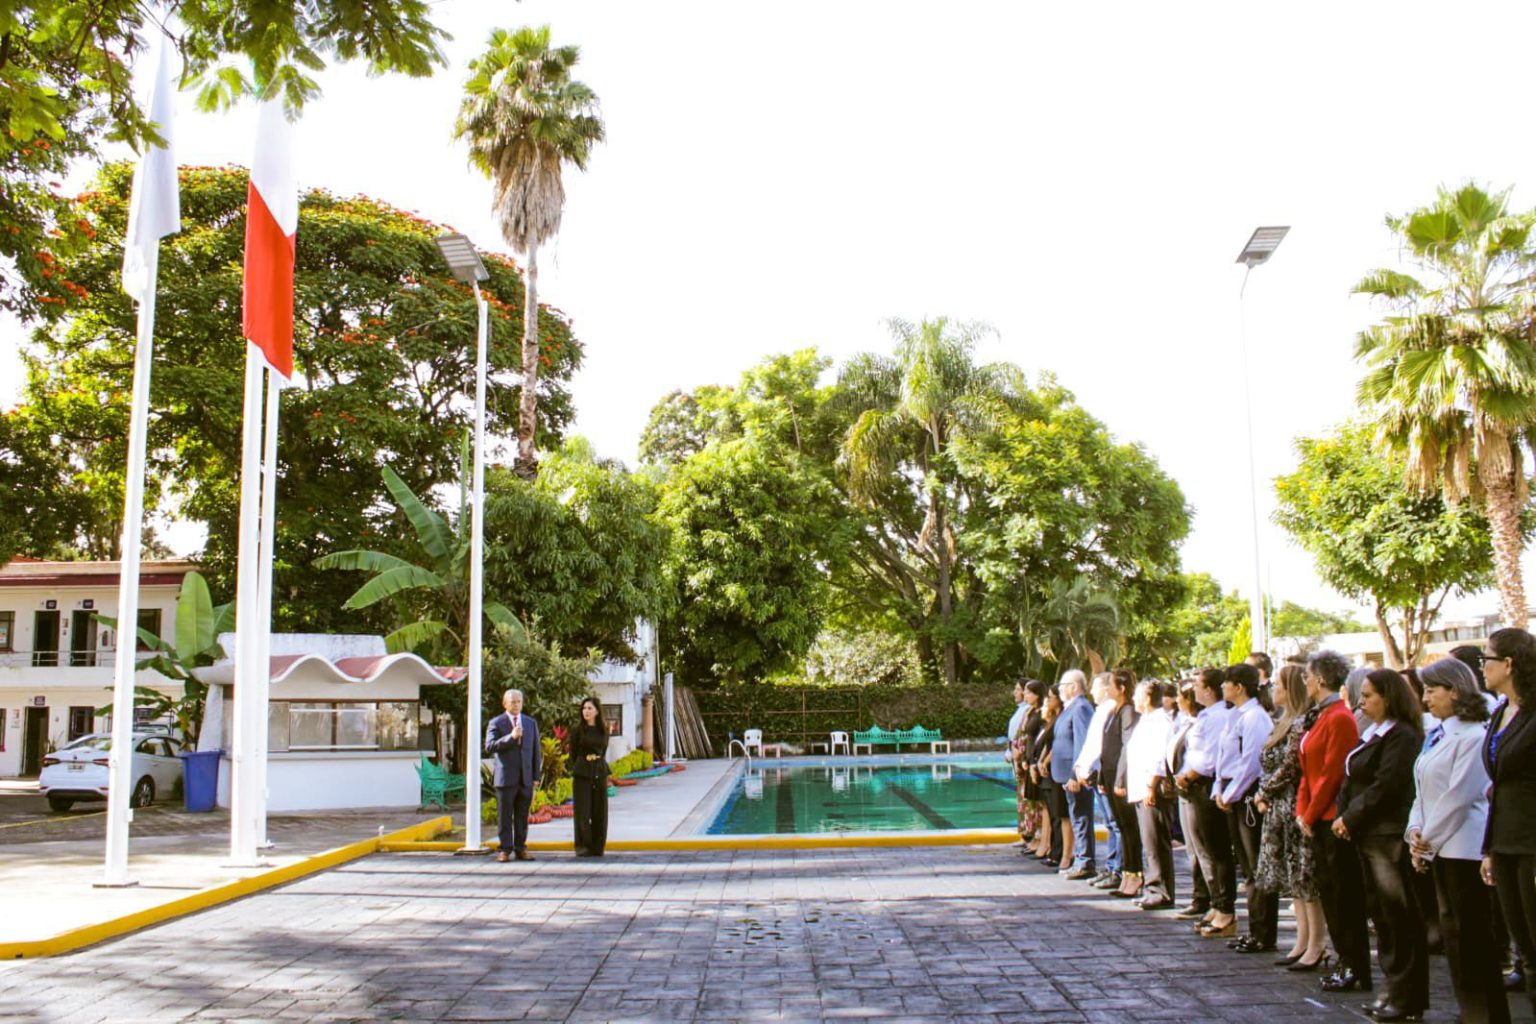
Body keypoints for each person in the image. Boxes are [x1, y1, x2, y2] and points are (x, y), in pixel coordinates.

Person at [1410, 657, 1509, 1024]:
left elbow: (1459, 796)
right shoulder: (1438, 734)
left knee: (1473, 939)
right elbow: (1422, 789)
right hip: (1440, 848)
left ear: (1454, 691)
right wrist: (1414, 831)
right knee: (1454, 938)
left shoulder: (1473, 736)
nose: (1425, 699)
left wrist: (1426, 841)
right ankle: (1470, 1011)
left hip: (1463, 849)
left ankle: (1486, 1014)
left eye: (1431, 691)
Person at [1335, 669, 1428, 1022]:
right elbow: (1352, 776)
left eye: (1369, 695)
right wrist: (1345, 816)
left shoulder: (1402, 735)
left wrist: (1350, 817)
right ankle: (1392, 988)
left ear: (1388, 698)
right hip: (1367, 834)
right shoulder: (1374, 732)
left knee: (1398, 916)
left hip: (1387, 835)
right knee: (1383, 917)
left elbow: (1386, 784)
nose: (1362, 702)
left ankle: (1407, 996)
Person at [1298, 649, 1371, 995]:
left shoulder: (1340, 717)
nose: (1305, 682)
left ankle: (1354, 964)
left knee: (1344, 897)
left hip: (1331, 817)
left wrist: (1310, 812)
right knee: (1330, 894)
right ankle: (1345, 960)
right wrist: (1303, 810)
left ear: (1321, 679)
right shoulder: (1321, 715)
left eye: (1307, 676)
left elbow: (1332, 773)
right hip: (1316, 815)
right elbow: (1307, 769)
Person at [1253, 664, 1323, 970]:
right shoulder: (1282, 721)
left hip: (1294, 804)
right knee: (1294, 877)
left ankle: (1317, 943)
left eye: (1278, 685)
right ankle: (1302, 940)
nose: (1273, 689)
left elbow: (1291, 765)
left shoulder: (1301, 723)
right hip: (1278, 806)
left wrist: (1263, 792)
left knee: (1305, 875)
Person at [1481, 627, 1536, 1018]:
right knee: (1526, 949)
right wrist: (1489, 848)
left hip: (1531, 841)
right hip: (1504, 840)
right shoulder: (1500, 711)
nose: (1482, 667)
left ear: (1509, 663)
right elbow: (1497, 783)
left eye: (1486, 659)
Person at [1217, 662, 1280, 953]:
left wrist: (1230, 794)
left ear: (1239, 687)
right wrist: (1220, 790)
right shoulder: (1236, 715)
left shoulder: (1254, 717)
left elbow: (1251, 763)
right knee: (1247, 866)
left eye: (1226, 682)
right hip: (1233, 792)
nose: (1222, 687)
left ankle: (1263, 932)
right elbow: (1225, 758)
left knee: (1256, 865)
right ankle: (1254, 929)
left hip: (1247, 796)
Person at [1176, 667, 1236, 937]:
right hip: (1195, 784)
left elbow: (1209, 757)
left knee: (1217, 851)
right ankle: (1217, 904)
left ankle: (1225, 908)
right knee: (1207, 849)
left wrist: (1188, 775)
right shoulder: (1207, 715)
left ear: (1209, 690)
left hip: (1206, 783)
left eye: (1199, 686)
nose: (1195, 691)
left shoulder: (1217, 716)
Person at [1126, 679, 1175, 909]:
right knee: (1149, 842)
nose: (1133, 699)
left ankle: (1161, 891)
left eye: (1137, 695)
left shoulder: (1160, 722)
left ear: (1147, 697)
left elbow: (1158, 757)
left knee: (1156, 842)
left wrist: (1150, 786)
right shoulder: (1145, 721)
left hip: (1151, 790)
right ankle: (1153, 887)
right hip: (1140, 788)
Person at [1168, 678, 1211, 919]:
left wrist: (1188, 776)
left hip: (1196, 788)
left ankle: (1210, 899)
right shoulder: (1185, 722)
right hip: (1183, 787)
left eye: (1180, 696)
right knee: (1193, 849)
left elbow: (1204, 757)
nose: (1176, 700)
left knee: (1202, 848)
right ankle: (1200, 895)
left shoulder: (1202, 722)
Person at [1075, 672, 1123, 889]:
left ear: (1106, 688)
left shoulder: (1110, 709)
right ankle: (1112, 866)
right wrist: (1082, 766)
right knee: (1109, 823)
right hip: (1095, 772)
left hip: (1103, 773)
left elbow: (1101, 745)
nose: (1091, 691)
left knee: (1115, 823)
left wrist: (1087, 768)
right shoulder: (1101, 709)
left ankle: (1118, 868)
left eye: (1095, 687)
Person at [486, 688, 542, 863]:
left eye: (519, 702)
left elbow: (536, 751)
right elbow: (490, 746)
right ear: (505, 704)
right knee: (505, 816)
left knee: (522, 816)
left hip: (525, 778)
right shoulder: (496, 723)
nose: (516, 705)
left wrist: (536, 776)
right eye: (513, 702)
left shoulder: (530, 723)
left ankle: (520, 848)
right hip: (506, 778)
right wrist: (510, 737)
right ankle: (504, 849)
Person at [1101, 667, 1143, 899]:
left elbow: (1127, 746)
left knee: (1129, 827)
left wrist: (1120, 778)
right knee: (1121, 825)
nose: (1107, 688)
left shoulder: (1128, 711)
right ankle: (1127, 873)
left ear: (1122, 688)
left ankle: (1134, 874)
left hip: (1120, 777)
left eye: (1110, 684)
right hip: (1109, 775)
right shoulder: (1113, 711)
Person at [1054, 670, 1098, 880]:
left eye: (1063, 685)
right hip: (1065, 775)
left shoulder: (1081, 708)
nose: (1060, 690)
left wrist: (1075, 773)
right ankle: (1082, 860)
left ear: (1074, 686)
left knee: (1081, 818)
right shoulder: (1070, 707)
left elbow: (1082, 742)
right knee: (1076, 816)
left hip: (1075, 776)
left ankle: (1085, 861)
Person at [1033, 685, 1071, 870]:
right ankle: (1054, 850)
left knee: (1059, 814)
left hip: (1055, 770)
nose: (1047, 701)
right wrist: (1040, 761)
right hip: (1047, 769)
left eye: (1050, 697)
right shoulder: (1053, 720)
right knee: (1053, 811)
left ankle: (1060, 852)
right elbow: (1047, 745)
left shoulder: (1061, 719)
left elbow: (1056, 746)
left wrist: (1045, 761)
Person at [569, 696, 611, 858]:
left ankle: (598, 846)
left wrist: (596, 764)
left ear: (597, 711)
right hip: (582, 772)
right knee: (583, 811)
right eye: (584, 708)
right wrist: (581, 765)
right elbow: (573, 753)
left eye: (589, 708)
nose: (586, 711)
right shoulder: (577, 730)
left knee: (600, 810)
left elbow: (603, 750)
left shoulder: (603, 730)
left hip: (599, 770)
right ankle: (583, 846)